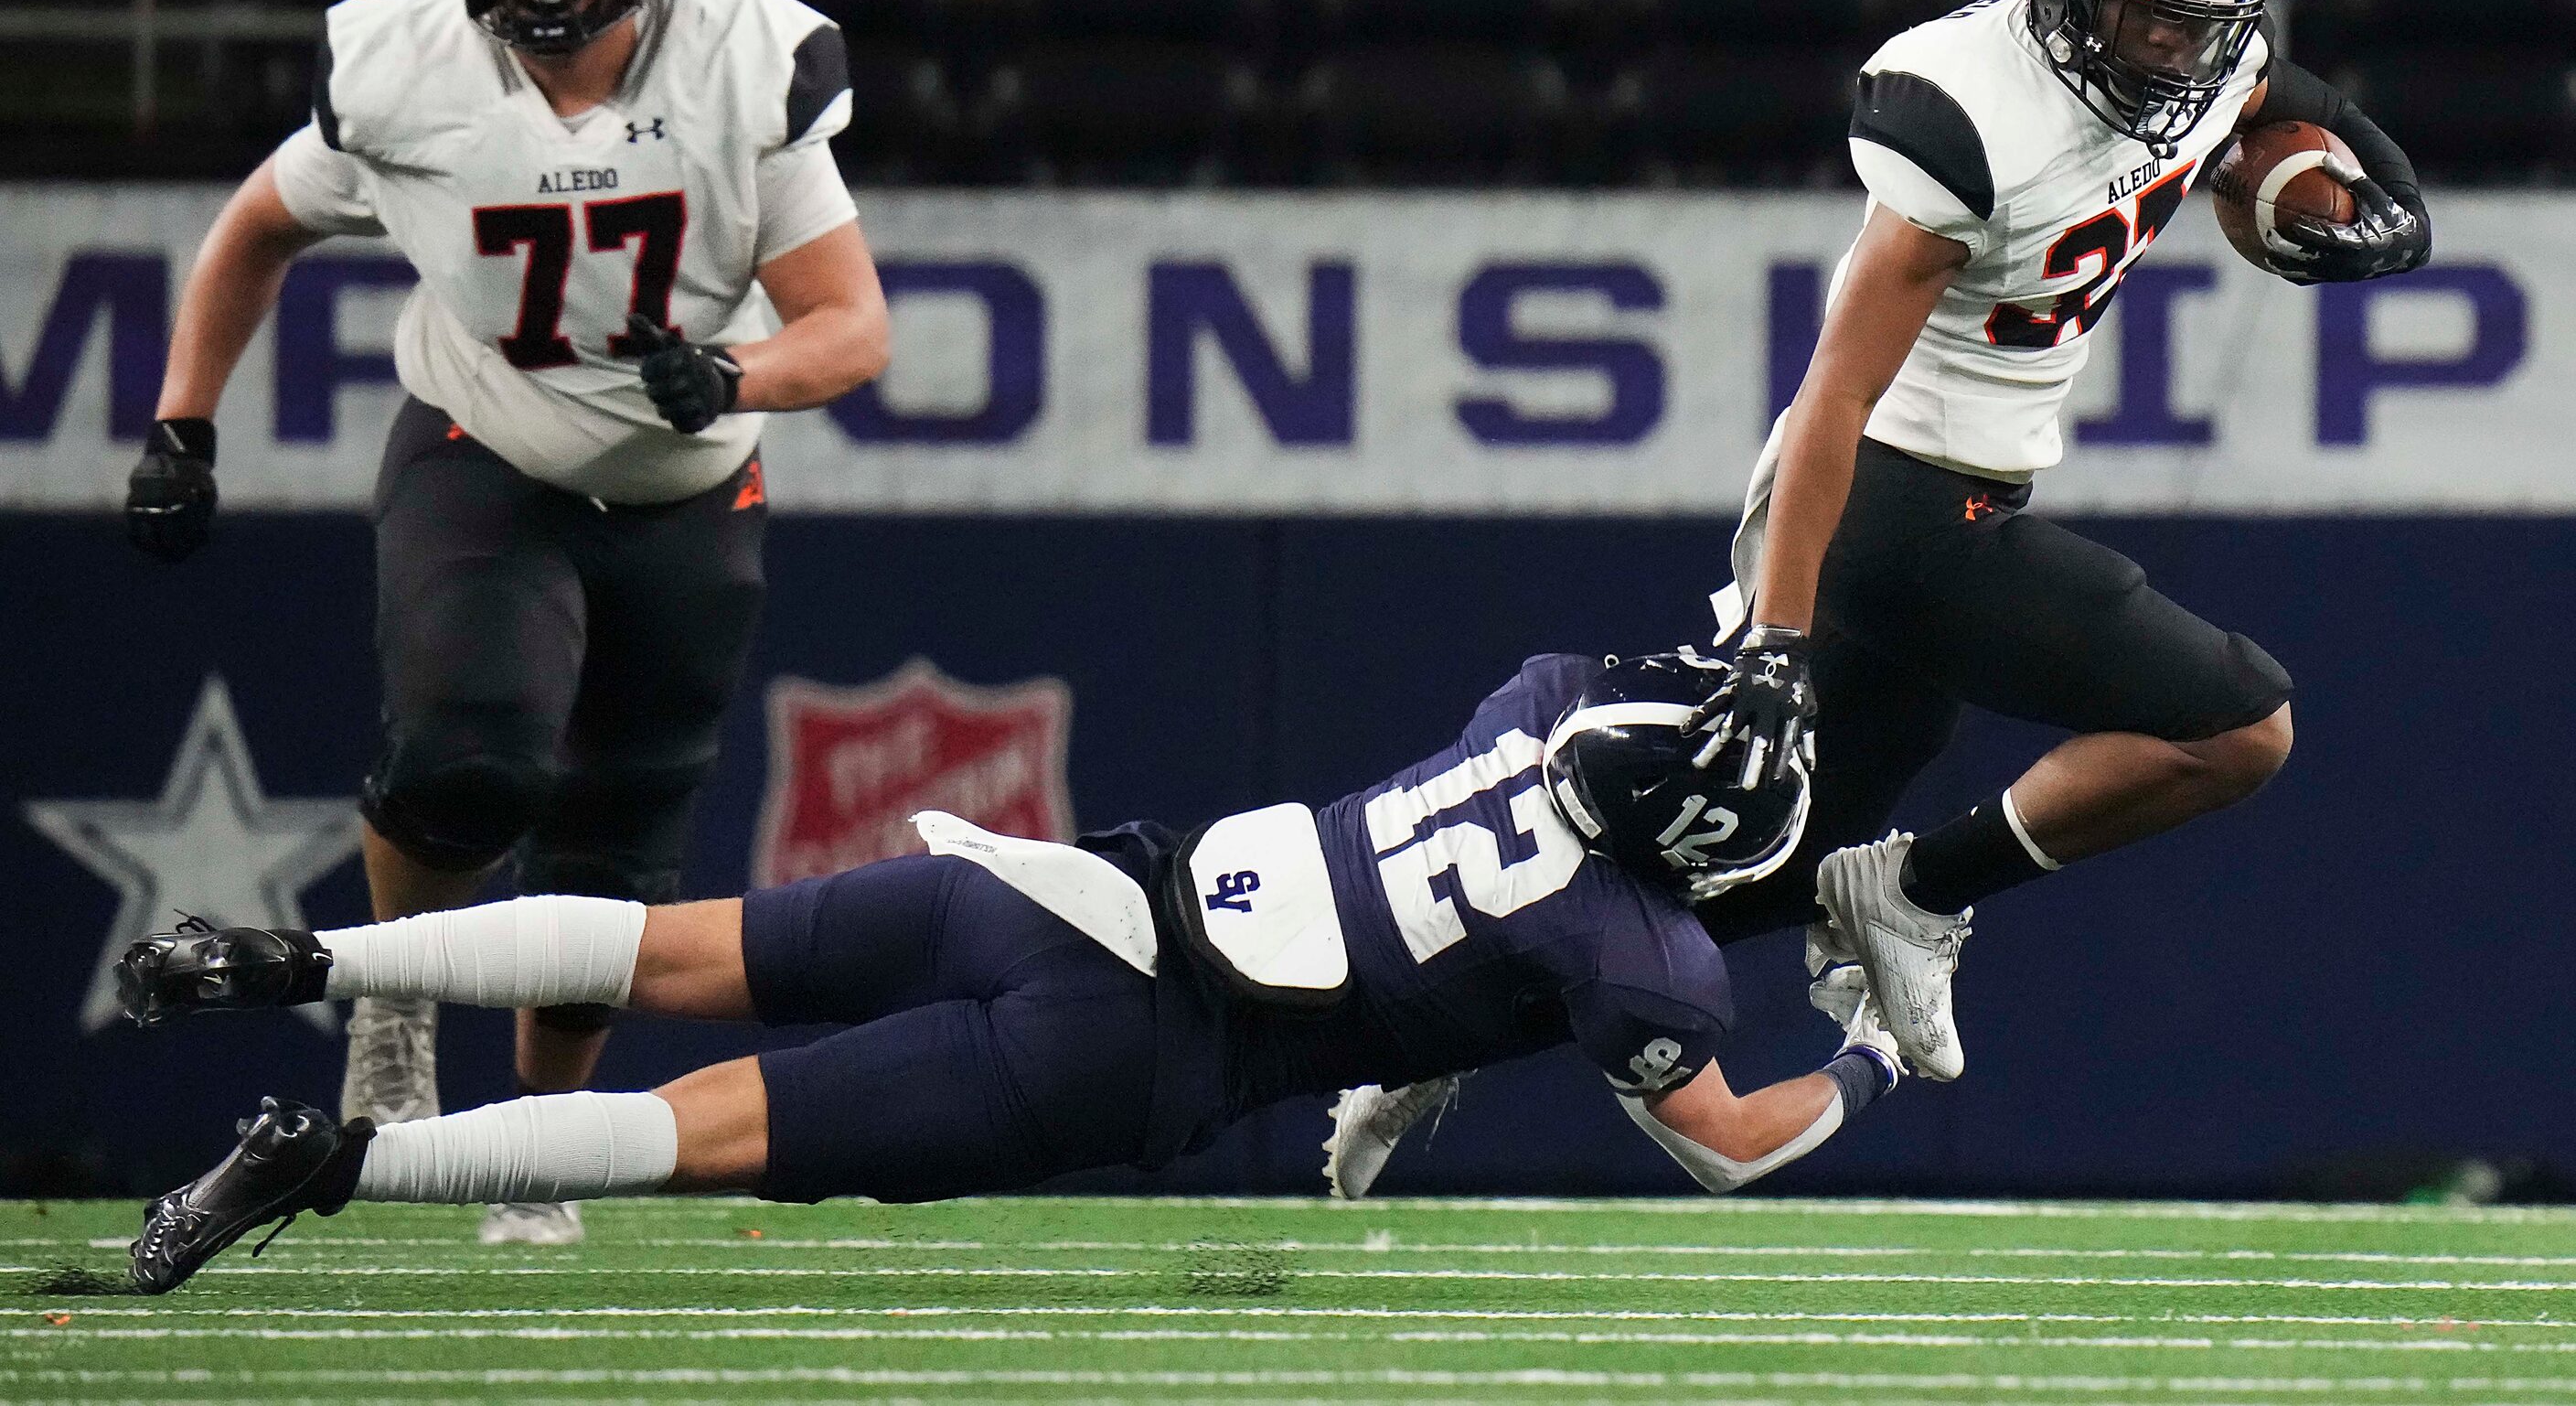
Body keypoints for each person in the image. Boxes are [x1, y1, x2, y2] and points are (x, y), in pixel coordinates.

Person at [1325, 0, 2432, 1174]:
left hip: (1967, 495)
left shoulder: (2199, 51)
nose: (2170, 55)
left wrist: (2334, 207)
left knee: (1740, 868)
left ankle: (1431, 1022)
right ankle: (1913, 891)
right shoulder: (1962, 107)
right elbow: (1833, 398)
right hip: (1887, 506)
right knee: (2237, 723)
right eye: (2142, 21)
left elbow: (2309, 131)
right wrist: (1779, 639)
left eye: (2192, 29)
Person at [117, 649, 1901, 1294]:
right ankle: (331, 1161)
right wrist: (1877, 1046)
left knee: (665, 943)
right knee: (691, 1134)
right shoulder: (1638, 952)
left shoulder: (1532, 697)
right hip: (1115, 1061)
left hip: (1053, 893)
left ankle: (293, 955)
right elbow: (1727, 1139)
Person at [123, 0, 891, 1245]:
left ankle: (531, 1147)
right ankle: (395, 997)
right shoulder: (405, 70)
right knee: (471, 757)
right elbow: (256, 227)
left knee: (613, 873)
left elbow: (851, 329)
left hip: (686, 486)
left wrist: (737, 368)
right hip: (488, 449)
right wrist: (181, 418)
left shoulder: (743, 58)